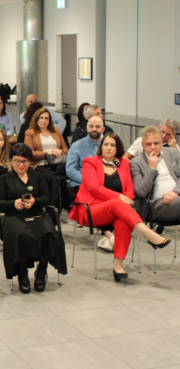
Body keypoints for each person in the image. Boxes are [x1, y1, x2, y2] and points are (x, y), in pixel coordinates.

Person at [69, 133, 170, 282]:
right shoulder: (90, 162)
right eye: (106, 144)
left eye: (113, 145)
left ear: (118, 148)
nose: (109, 148)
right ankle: (148, 233)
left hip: (117, 210)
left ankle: (118, 266)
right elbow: (94, 188)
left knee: (124, 221)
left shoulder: (123, 163)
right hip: (91, 210)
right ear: (101, 147)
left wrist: (125, 198)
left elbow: (129, 188)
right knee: (116, 203)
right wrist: (120, 197)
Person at [0, 143, 67, 293]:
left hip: (37, 214)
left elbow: (46, 198)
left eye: (25, 161)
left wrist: (35, 201)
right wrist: (13, 203)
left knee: (49, 233)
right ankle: (22, 273)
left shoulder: (37, 177)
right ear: (11, 161)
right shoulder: (4, 179)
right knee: (22, 234)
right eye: (17, 161)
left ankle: (42, 270)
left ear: (30, 162)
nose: (21, 165)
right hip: (14, 216)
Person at [66, 116, 115, 252]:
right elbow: (70, 170)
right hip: (83, 186)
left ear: (103, 129)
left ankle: (108, 236)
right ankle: (110, 235)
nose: (94, 129)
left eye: (97, 126)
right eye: (91, 126)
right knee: (102, 200)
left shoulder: (109, 146)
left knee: (115, 198)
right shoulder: (77, 146)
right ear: (87, 128)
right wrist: (89, 181)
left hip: (105, 185)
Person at [130, 126, 180, 225]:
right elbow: (141, 192)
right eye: (149, 144)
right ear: (142, 145)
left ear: (161, 142)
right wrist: (151, 169)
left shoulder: (173, 153)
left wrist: (175, 192)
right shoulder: (135, 163)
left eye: (156, 143)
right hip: (154, 206)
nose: (153, 147)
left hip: (176, 198)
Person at [25, 107, 68, 190]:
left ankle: (66, 198)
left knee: (68, 176)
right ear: (36, 119)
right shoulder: (30, 132)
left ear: (49, 120)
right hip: (41, 164)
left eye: (46, 118)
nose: (43, 120)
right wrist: (47, 153)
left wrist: (59, 151)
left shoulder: (56, 131)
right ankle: (54, 198)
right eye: (41, 118)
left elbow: (65, 149)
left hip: (58, 162)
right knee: (53, 178)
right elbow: (29, 153)